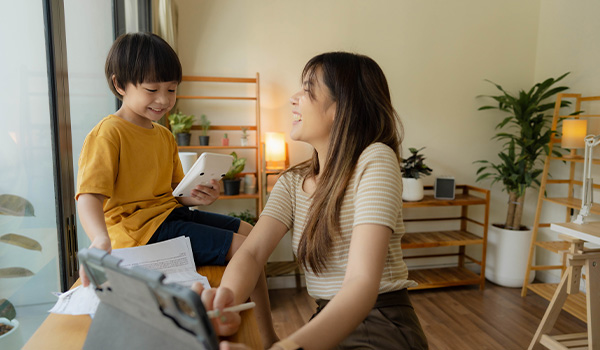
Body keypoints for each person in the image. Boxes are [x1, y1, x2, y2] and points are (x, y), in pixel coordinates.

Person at [209, 52, 429, 349]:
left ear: (341, 107)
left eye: (308, 89)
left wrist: (285, 347)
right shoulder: (291, 182)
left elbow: (362, 283)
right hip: (328, 317)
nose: (294, 98)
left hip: (380, 322)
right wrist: (226, 303)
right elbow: (250, 254)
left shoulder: (375, 159)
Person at [75, 32, 276, 346]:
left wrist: (198, 195)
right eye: (152, 90)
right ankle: (248, 330)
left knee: (253, 235)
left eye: (171, 89)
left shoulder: (164, 135)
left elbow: (174, 195)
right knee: (243, 249)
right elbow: (89, 195)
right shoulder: (108, 133)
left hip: (167, 217)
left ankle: (269, 332)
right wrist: (100, 238)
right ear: (119, 85)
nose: (164, 100)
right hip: (137, 232)